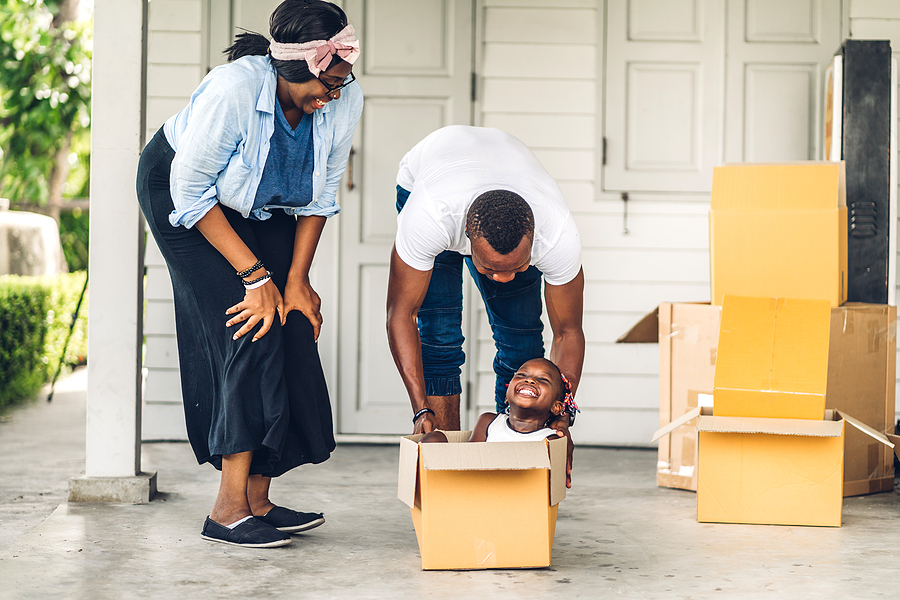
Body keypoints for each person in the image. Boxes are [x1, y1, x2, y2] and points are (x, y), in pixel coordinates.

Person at [135, 0, 363, 548]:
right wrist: (257, 279)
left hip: (257, 203)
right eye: (326, 84)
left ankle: (259, 499)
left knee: (291, 325)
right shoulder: (234, 90)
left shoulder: (342, 94)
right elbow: (190, 192)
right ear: (292, 69)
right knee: (251, 328)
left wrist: (295, 282)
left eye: (341, 82)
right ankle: (227, 510)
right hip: (183, 198)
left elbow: (321, 193)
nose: (333, 95)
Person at [385, 125, 585, 485]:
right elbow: (402, 314)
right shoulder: (429, 216)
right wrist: (421, 409)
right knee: (439, 334)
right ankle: (448, 470)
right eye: (490, 268)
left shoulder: (556, 235)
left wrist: (562, 417)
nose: (504, 279)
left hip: (507, 164)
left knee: (522, 345)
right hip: (428, 174)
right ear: (466, 239)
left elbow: (568, 332)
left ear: (532, 243)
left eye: (518, 269)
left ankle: (508, 464)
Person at [420, 357, 578, 444]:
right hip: (476, 489)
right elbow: (470, 460)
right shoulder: (488, 422)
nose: (529, 380)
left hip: (515, 497)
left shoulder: (549, 440)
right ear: (506, 396)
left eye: (543, 379)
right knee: (433, 439)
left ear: (556, 407)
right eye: (522, 375)